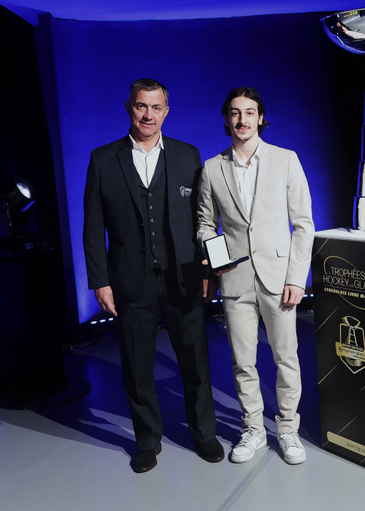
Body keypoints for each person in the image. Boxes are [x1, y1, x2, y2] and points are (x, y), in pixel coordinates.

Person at [83, 78, 223, 473]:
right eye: (141, 106)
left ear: (166, 111)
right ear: (129, 107)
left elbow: (204, 219)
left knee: (195, 360)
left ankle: (204, 433)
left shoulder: (187, 156)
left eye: (156, 108)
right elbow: (93, 228)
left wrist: (208, 266)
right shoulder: (101, 159)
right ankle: (147, 439)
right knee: (137, 364)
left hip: (183, 276)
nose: (148, 115)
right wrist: (100, 279)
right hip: (130, 280)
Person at [197, 86, 314, 465]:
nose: (242, 119)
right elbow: (203, 224)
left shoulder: (285, 160)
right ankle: (253, 429)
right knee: (242, 361)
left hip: (279, 277)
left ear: (261, 117)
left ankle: (288, 430)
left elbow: (304, 224)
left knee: (286, 358)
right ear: (226, 119)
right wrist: (216, 258)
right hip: (234, 280)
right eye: (235, 112)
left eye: (250, 112)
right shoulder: (213, 168)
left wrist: (297, 277)